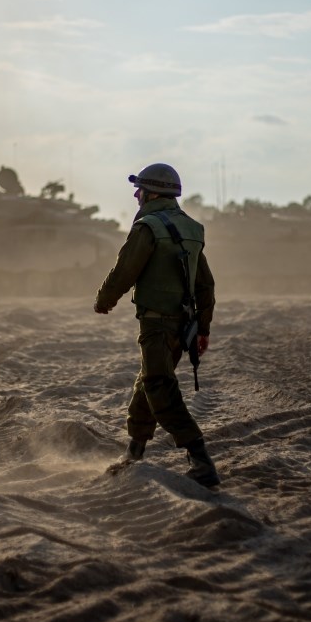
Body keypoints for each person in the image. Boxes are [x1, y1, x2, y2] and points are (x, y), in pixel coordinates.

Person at [94, 162, 221, 488]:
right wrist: (203, 328)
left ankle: (200, 458)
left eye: (140, 189)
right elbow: (205, 283)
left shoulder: (147, 227)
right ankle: (134, 454)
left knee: (159, 388)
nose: (136, 194)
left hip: (156, 324)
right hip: (184, 325)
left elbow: (125, 272)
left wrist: (104, 301)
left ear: (152, 193)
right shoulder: (192, 229)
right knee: (148, 384)